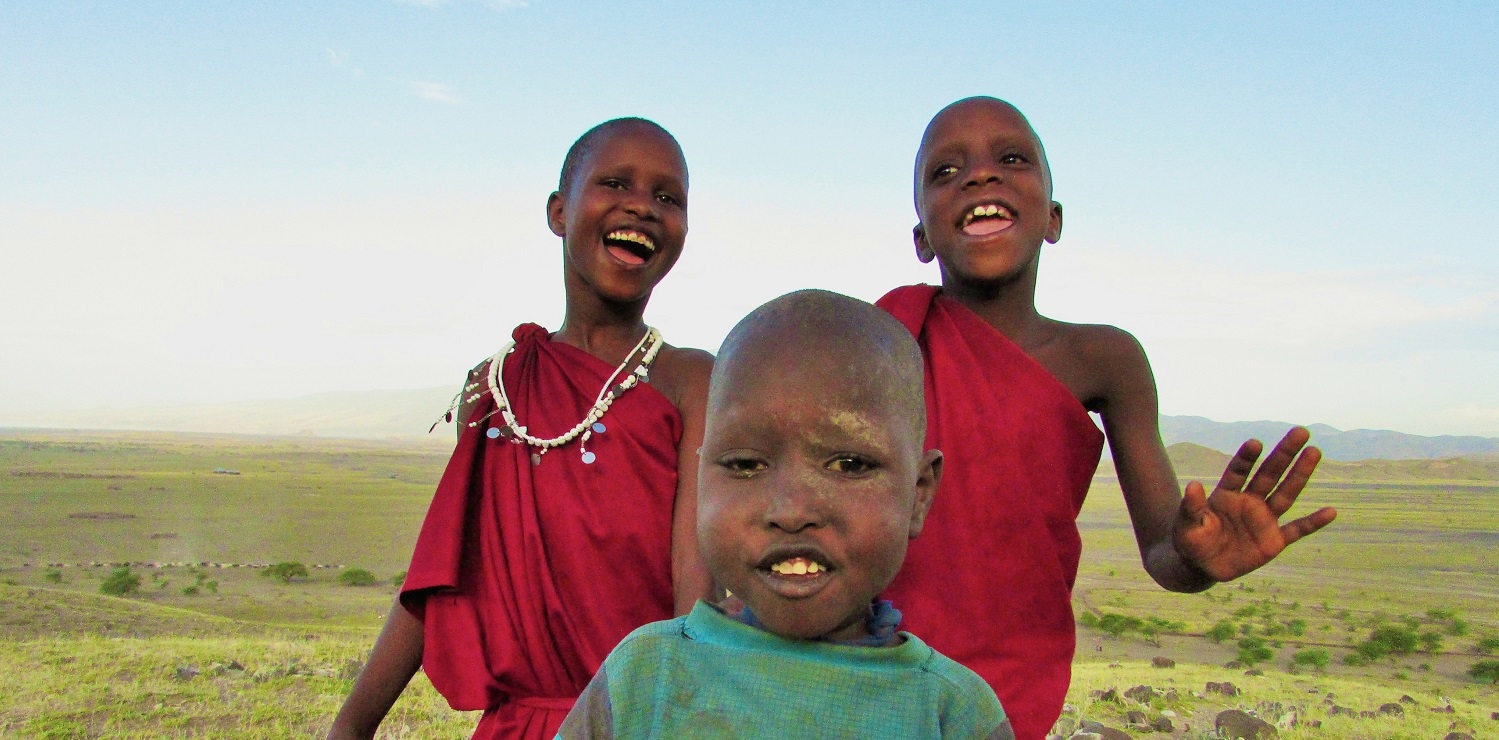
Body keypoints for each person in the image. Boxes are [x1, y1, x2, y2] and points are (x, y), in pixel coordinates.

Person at [875, 96, 1338, 740]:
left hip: (1008, 683)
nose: (981, 176)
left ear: (1054, 219)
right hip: (868, 666)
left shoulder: (1104, 358)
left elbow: (1162, 553)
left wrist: (1197, 559)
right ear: (922, 237)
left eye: (1012, 159)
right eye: (945, 172)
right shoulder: (878, 343)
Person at [328, 117, 714, 740]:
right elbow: (438, 572)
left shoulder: (692, 383)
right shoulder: (496, 388)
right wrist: (352, 725)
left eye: (668, 198)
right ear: (559, 212)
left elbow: (691, 615)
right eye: (615, 182)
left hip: (637, 723)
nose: (643, 206)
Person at [557, 289, 1015, 740]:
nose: (791, 511)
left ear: (918, 495)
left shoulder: (951, 711)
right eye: (745, 465)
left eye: (850, 465)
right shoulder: (645, 676)